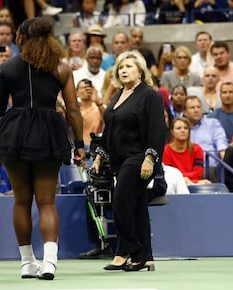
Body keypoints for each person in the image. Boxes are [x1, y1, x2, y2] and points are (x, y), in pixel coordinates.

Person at [0, 17, 85, 280]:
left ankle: (27, 263)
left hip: (15, 134)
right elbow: (73, 110)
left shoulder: (7, 68)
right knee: (47, 202)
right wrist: (80, 144)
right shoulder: (61, 68)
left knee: (21, 201)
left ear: (20, 39)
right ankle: (50, 262)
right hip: (49, 133)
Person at [91, 50, 166, 272]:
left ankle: (129, 250)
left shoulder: (149, 95)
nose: (123, 70)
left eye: (129, 67)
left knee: (121, 202)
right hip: (119, 159)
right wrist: (99, 156)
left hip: (139, 158)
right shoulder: (116, 96)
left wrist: (150, 158)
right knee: (137, 207)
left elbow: (157, 130)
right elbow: (110, 131)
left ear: (141, 72)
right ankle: (147, 257)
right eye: (120, 67)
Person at [184, 95, 228, 182]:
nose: (196, 110)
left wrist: (226, 162)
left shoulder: (213, 123)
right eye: (192, 107)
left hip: (211, 170)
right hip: (188, 171)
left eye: (199, 107)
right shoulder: (181, 127)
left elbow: (221, 145)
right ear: (185, 112)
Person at [163, 117, 211, 185]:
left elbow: (198, 173)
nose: (183, 130)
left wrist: (187, 180)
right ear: (172, 131)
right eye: (178, 128)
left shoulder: (197, 149)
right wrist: (184, 179)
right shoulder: (166, 150)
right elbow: (169, 174)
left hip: (195, 183)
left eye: (185, 128)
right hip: (174, 184)